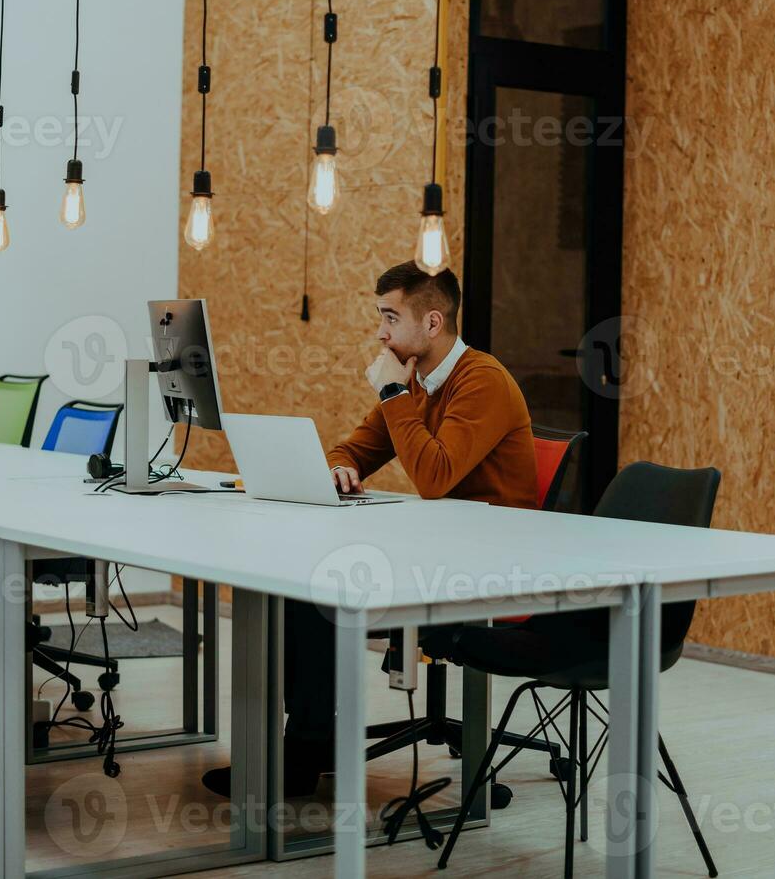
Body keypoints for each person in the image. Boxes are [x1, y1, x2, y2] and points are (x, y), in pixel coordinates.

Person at [202, 262, 536, 799]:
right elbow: (353, 448)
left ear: (432, 323)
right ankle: (310, 741)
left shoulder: (482, 381)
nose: (380, 333)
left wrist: (391, 396)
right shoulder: (416, 381)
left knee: (320, 592)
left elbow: (433, 476)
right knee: (303, 581)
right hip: (439, 546)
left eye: (389, 318)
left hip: (487, 566)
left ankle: (305, 749)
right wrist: (338, 467)